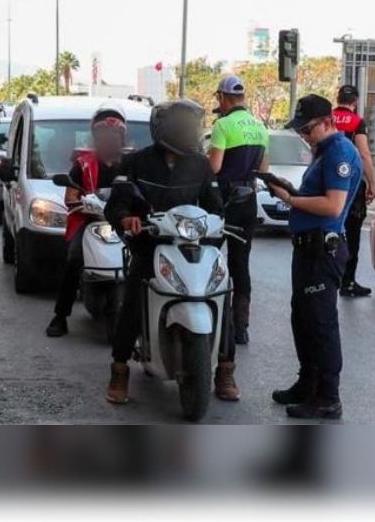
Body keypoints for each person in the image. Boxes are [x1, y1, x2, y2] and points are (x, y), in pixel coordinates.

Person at [103, 100, 224, 405]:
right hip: (150, 246)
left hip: (192, 248)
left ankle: (225, 369)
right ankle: (119, 370)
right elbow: (115, 203)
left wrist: (218, 225)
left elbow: (216, 206)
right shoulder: (136, 163)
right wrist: (125, 219)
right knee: (132, 301)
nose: (188, 132)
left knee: (224, 295)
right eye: (181, 127)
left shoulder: (200, 164)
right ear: (163, 129)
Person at [268, 94, 362, 420]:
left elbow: (333, 205)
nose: (304, 137)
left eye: (307, 130)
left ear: (327, 122)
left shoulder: (340, 152)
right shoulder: (323, 152)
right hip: (308, 247)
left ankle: (328, 397)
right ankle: (307, 383)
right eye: (300, 131)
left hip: (324, 249)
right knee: (303, 317)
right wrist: (287, 190)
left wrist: (291, 200)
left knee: (321, 323)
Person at [46, 106, 129, 338]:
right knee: (73, 260)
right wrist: (82, 203)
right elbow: (70, 196)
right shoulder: (82, 163)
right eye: (104, 135)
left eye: (115, 136)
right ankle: (60, 316)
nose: (109, 140)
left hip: (123, 221)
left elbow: (141, 191)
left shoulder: (131, 163)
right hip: (90, 220)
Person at [207, 75, 269, 355]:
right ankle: (241, 326)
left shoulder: (222, 125)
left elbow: (215, 167)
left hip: (224, 201)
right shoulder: (260, 127)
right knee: (241, 263)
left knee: (208, 257)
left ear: (222, 97)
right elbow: (264, 169)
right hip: (249, 201)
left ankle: (207, 314)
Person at [331, 84, 375, 298]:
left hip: (328, 183)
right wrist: (372, 183)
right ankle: (347, 282)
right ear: (355, 101)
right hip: (352, 184)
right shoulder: (357, 122)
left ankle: (329, 278)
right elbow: (364, 154)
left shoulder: (326, 119)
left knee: (329, 229)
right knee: (353, 234)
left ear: (337, 98)